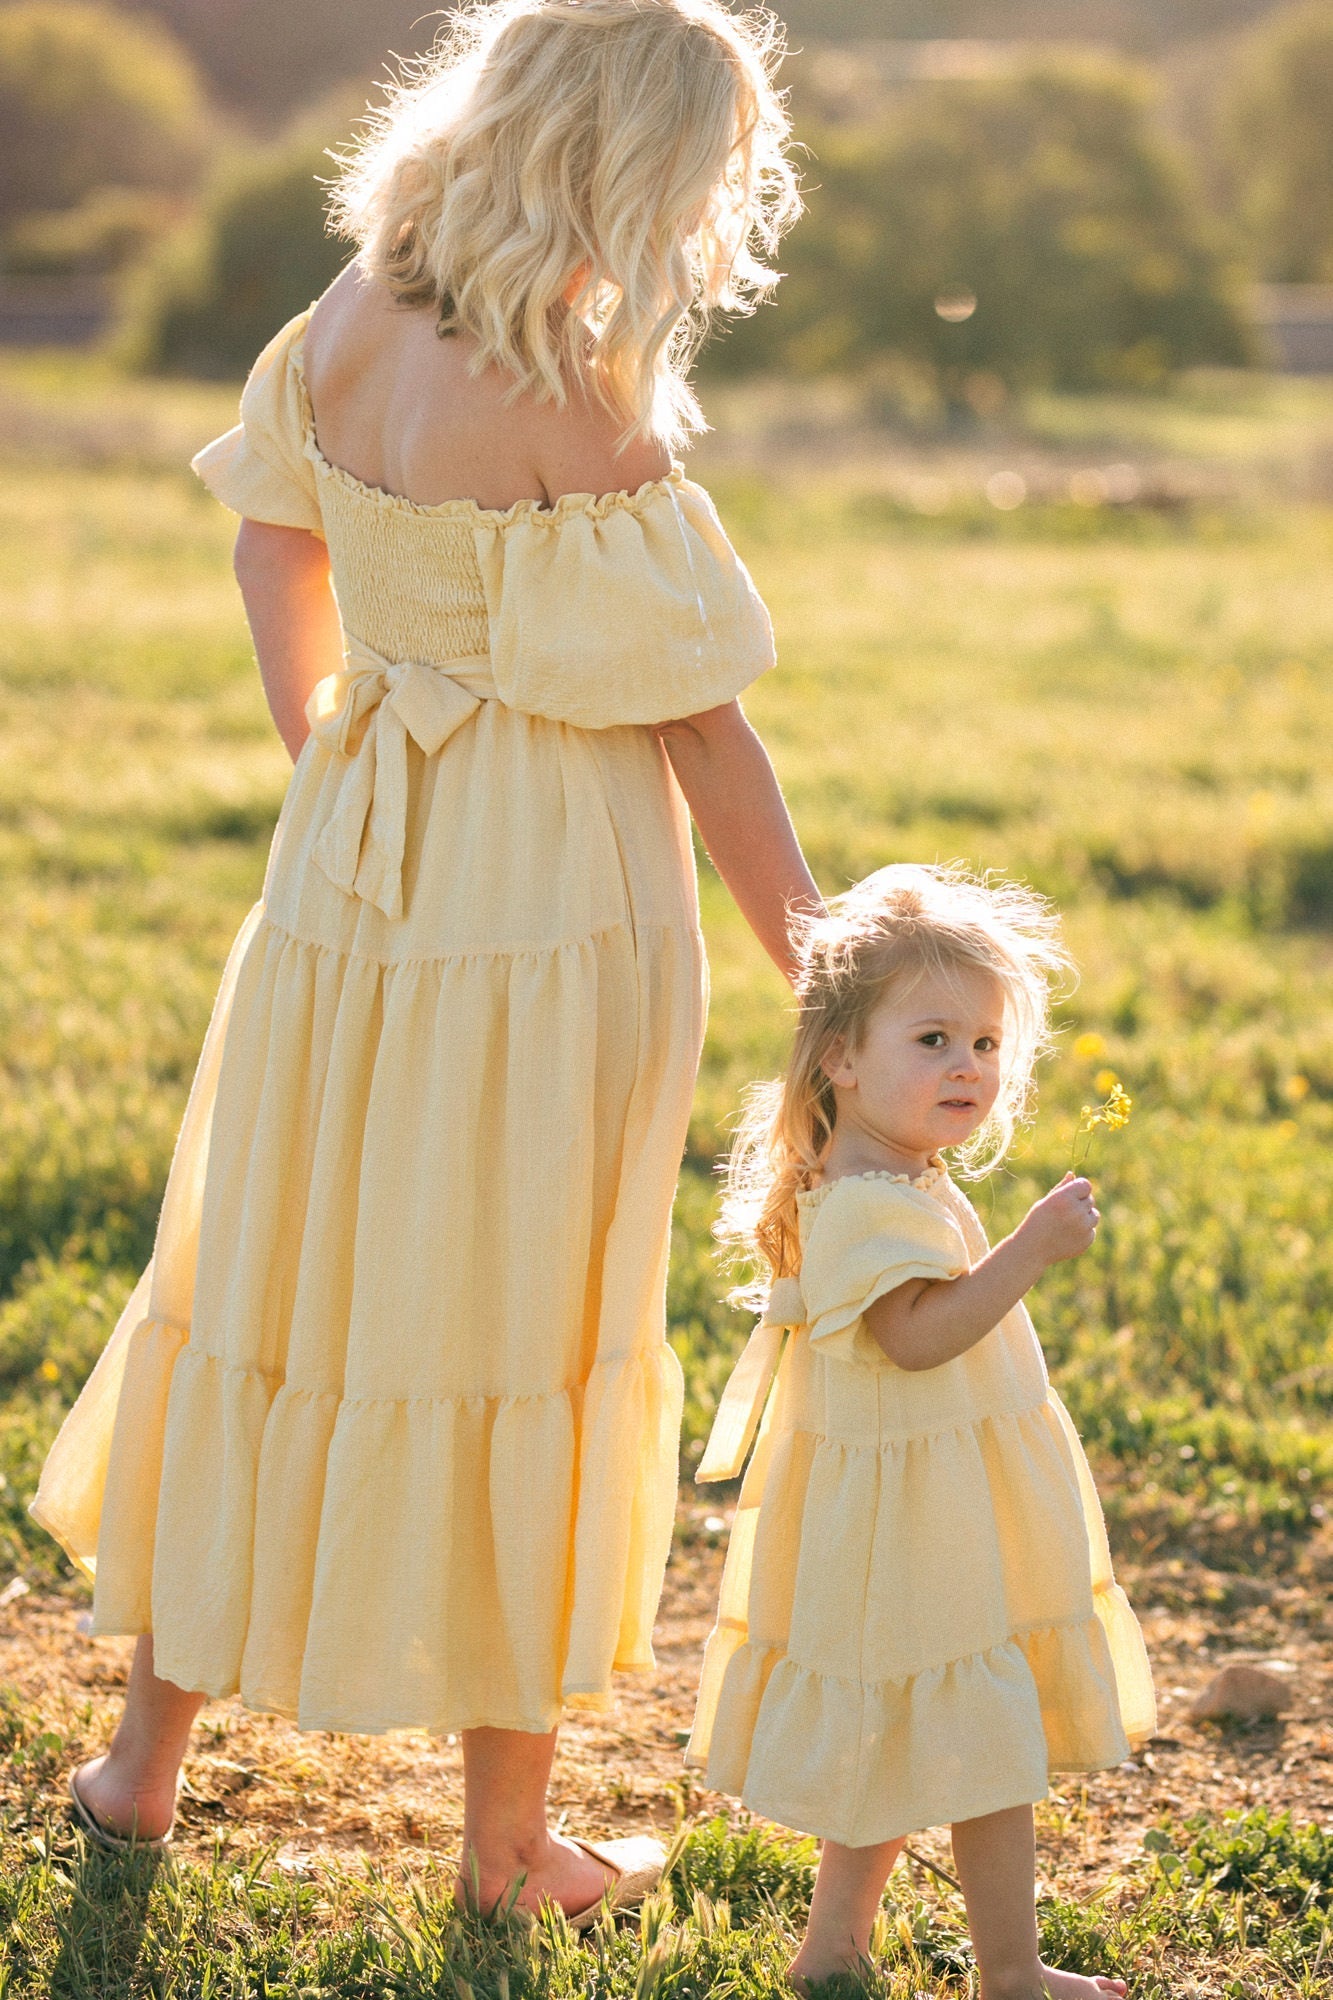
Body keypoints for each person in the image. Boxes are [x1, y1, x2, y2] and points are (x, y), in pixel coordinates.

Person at [30, 0, 819, 1924]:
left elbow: (265, 546)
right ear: (628, 172)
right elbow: (702, 731)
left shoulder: (349, 324)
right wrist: (825, 970)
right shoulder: (576, 402)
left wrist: (328, 743)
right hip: (543, 915)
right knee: (522, 1322)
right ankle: (503, 1849)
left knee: (274, 1273)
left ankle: (138, 1769)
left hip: (346, 884)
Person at [686, 863, 1157, 1997]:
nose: (968, 1067)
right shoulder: (861, 1204)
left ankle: (830, 1949)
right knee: (981, 1741)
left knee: (901, 1738)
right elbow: (918, 1334)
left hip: (922, 1515)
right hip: (915, 1528)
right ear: (840, 1056)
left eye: (987, 1045)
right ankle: (1011, 1973)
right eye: (934, 1037)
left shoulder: (892, 1171)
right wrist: (1028, 1250)